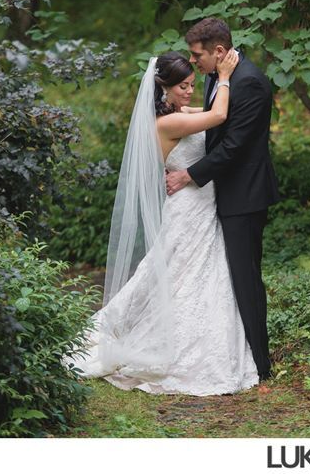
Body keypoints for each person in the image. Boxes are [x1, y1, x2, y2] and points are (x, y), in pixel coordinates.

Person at [68, 49, 261, 395]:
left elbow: (222, 114)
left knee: (191, 272)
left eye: (191, 84)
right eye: (184, 87)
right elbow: (218, 116)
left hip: (201, 203)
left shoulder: (179, 112)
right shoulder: (168, 122)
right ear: (165, 89)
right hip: (188, 206)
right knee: (177, 271)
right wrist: (226, 77)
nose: (190, 91)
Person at [164, 18, 280, 382]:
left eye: (197, 55)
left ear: (218, 51)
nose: (193, 62)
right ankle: (237, 352)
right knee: (228, 278)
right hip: (221, 193)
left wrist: (189, 174)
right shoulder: (221, 75)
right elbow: (214, 122)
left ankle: (260, 365)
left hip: (244, 195)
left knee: (246, 278)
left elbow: (233, 146)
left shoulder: (250, 83)